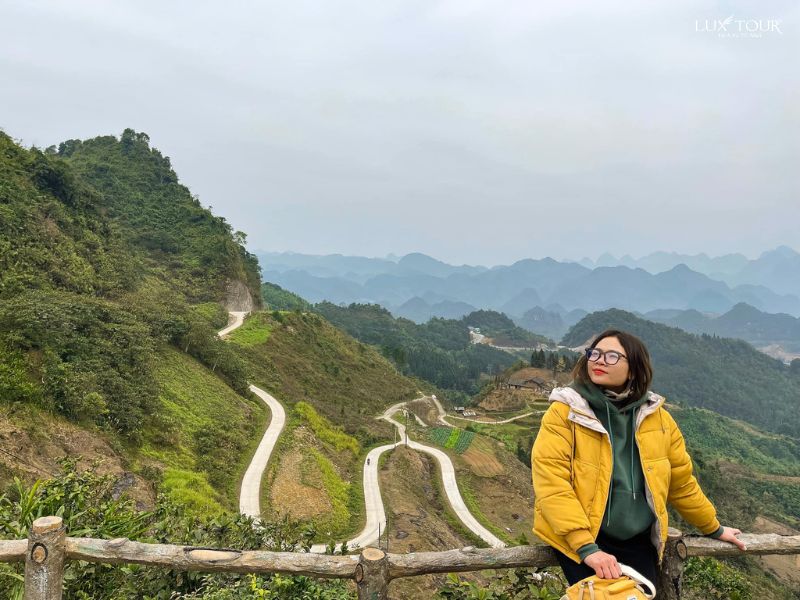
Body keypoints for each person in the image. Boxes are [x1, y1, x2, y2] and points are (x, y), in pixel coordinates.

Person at [531, 329, 745, 585]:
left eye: (612, 356)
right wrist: (586, 547)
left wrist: (713, 527)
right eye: (594, 353)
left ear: (633, 369)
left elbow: (681, 484)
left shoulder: (658, 419)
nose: (599, 361)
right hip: (586, 538)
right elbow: (552, 483)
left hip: (639, 541)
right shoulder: (565, 413)